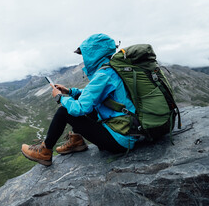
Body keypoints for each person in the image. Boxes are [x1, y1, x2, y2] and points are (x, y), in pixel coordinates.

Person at [21, 33, 138, 166]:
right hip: (129, 131)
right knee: (86, 106)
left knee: (64, 112)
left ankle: (44, 151)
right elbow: (94, 95)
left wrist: (60, 97)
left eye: (85, 55)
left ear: (94, 54)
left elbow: (80, 108)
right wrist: (70, 92)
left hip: (120, 140)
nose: (84, 59)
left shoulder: (103, 75)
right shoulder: (112, 70)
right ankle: (76, 141)